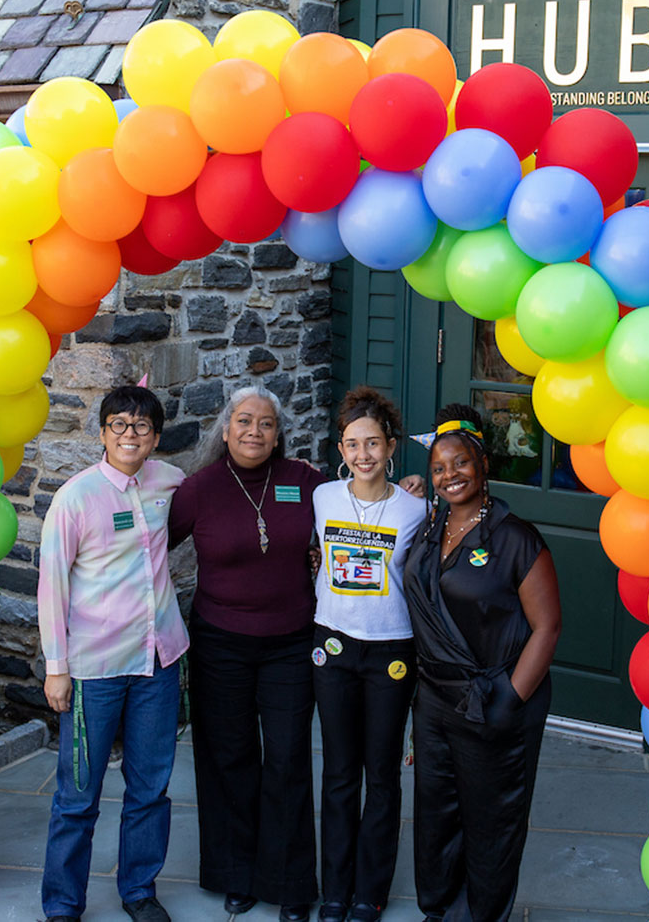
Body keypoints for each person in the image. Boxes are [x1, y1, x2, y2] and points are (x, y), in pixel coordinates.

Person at [169, 385, 325, 922]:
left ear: (279, 434)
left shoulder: (305, 482)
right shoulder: (199, 489)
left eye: (265, 423)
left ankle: (289, 881)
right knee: (227, 758)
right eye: (243, 421)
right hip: (220, 643)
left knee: (286, 759)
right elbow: (145, 544)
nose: (254, 432)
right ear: (226, 428)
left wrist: (409, 488)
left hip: (289, 643)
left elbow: (360, 512)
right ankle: (236, 874)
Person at [403, 403, 561, 922]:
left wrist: (511, 700)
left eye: (461, 463)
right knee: (436, 812)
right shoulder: (428, 528)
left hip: (494, 699)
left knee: (491, 818)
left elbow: (547, 627)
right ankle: (438, 907)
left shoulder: (516, 539)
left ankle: (482, 914)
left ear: (484, 465)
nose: (451, 475)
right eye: (439, 468)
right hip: (434, 701)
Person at [38, 385, 187, 922]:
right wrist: (57, 669)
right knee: (78, 795)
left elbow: (222, 494)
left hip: (158, 663)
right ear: (101, 432)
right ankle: (62, 904)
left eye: (141, 426)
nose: (130, 434)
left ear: (155, 437)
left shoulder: (170, 483)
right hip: (94, 669)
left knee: (151, 788)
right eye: (119, 425)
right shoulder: (75, 498)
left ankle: (139, 891)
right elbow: (51, 585)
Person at [311, 387, 427, 922]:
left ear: (392, 446)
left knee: (381, 774)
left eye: (373, 443)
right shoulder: (322, 498)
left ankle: (369, 892)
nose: (363, 455)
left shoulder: (417, 508)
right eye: (354, 444)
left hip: (391, 651)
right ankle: (335, 889)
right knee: (338, 772)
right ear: (341, 447)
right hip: (333, 643)